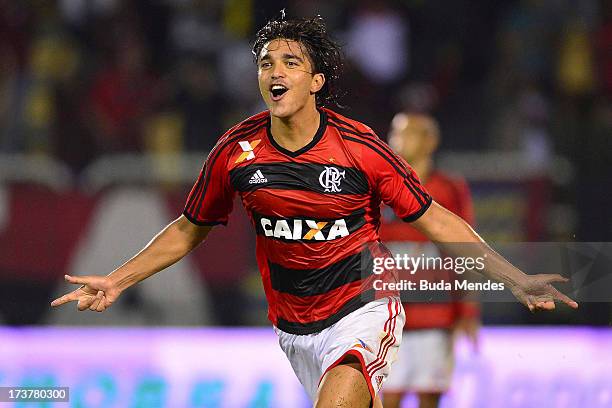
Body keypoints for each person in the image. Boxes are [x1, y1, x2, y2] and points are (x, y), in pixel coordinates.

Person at [51, 15, 578, 408]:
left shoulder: (360, 148)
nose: (275, 72)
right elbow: (190, 229)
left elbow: (436, 218)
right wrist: (119, 281)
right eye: (265, 63)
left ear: (316, 81)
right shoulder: (236, 151)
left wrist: (514, 278)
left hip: (363, 311)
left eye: (290, 62)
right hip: (293, 329)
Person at [380, 113, 479, 408]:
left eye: (406, 133)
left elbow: (466, 250)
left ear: (430, 141)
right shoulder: (379, 187)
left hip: (436, 316)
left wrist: (468, 310)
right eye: (394, 133)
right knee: (389, 397)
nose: (397, 141)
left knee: (429, 398)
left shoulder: (449, 188)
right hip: (387, 318)